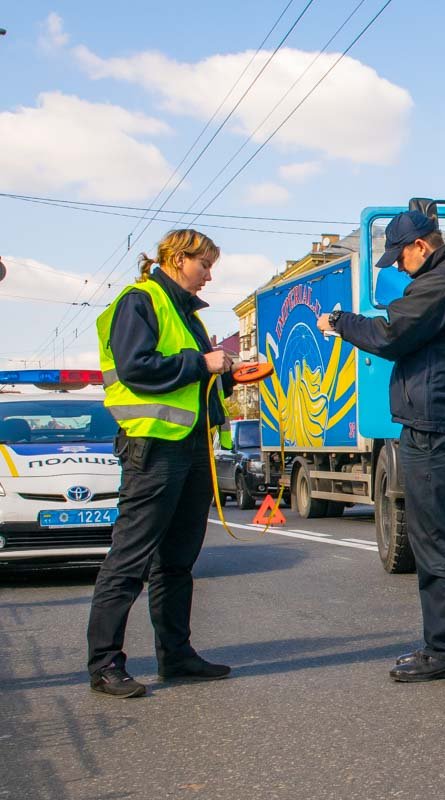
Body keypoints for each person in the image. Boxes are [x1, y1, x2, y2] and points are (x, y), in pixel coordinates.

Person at [318, 209, 445, 682]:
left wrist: (343, 322)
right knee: (442, 539)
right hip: (443, 422)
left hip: (434, 427)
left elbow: (390, 334)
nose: (396, 266)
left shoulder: (441, 283)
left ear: (421, 245)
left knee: (437, 543)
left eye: (400, 256)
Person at [86, 229, 235, 698]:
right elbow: (138, 368)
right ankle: (105, 664)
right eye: (203, 265)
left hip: (190, 446)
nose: (209, 276)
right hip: (152, 447)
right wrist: (202, 363)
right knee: (129, 559)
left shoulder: (184, 312)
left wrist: (227, 374)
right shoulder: (140, 301)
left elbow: (193, 377)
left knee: (177, 561)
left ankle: (176, 656)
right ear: (176, 258)